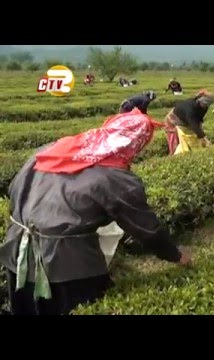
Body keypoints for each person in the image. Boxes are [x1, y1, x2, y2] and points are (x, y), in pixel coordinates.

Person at [0, 109, 192, 315]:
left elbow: (14, 189)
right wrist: (176, 256)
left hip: (15, 252)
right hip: (68, 267)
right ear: (135, 145)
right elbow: (147, 229)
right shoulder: (116, 178)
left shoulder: (52, 149)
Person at [163, 90, 214, 155]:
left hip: (185, 121)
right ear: (200, 102)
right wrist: (205, 139)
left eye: (207, 105)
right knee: (176, 142)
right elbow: (194, 125)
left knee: (193, 139)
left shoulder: (204, 107)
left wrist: (202, 135)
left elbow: (199, 120)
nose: (206, 107)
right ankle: (173, 156)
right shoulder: (190, 109)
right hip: (173, 121)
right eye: (205, 105)